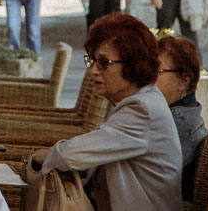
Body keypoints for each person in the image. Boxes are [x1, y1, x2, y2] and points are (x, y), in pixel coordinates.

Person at [30, 13, 182, 211]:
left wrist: (42, 156)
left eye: (103, 62)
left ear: (133, 64)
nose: (93, 70)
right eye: (91, 61)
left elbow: (72, 154)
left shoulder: (142, 109)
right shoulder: (135, 99)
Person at [156, 35, 208, 202]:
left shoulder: (177, 123)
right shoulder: (185, 113)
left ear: (184, 79)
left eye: (157, 71)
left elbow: (153, 179)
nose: (148, 78)